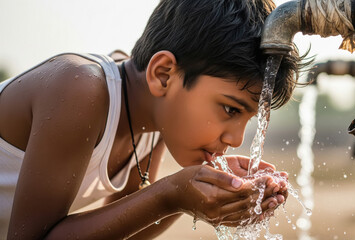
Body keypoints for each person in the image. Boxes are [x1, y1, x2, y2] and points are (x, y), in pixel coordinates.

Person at [0, 0, 303, 238]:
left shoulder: (155, 116)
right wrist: (171, 195)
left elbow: (124, 231)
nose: (236, 139)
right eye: (230, 110)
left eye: (247, 119)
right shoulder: (80, 87)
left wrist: (191, 198)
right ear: (163, 74)